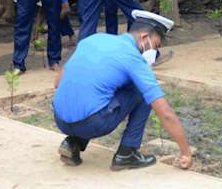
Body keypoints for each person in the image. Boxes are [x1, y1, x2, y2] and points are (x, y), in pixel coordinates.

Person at [52, 11, 193, 170]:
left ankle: (73, 142)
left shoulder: (93, 39)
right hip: (92, 123)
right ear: (144, 37)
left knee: (98, 91)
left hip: (60, 119)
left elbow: (58, 83)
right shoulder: (133, 58)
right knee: (141, 90)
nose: (155, 52)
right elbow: (165, 113)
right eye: (156, 45)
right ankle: (127, 154)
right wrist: (186, 152)